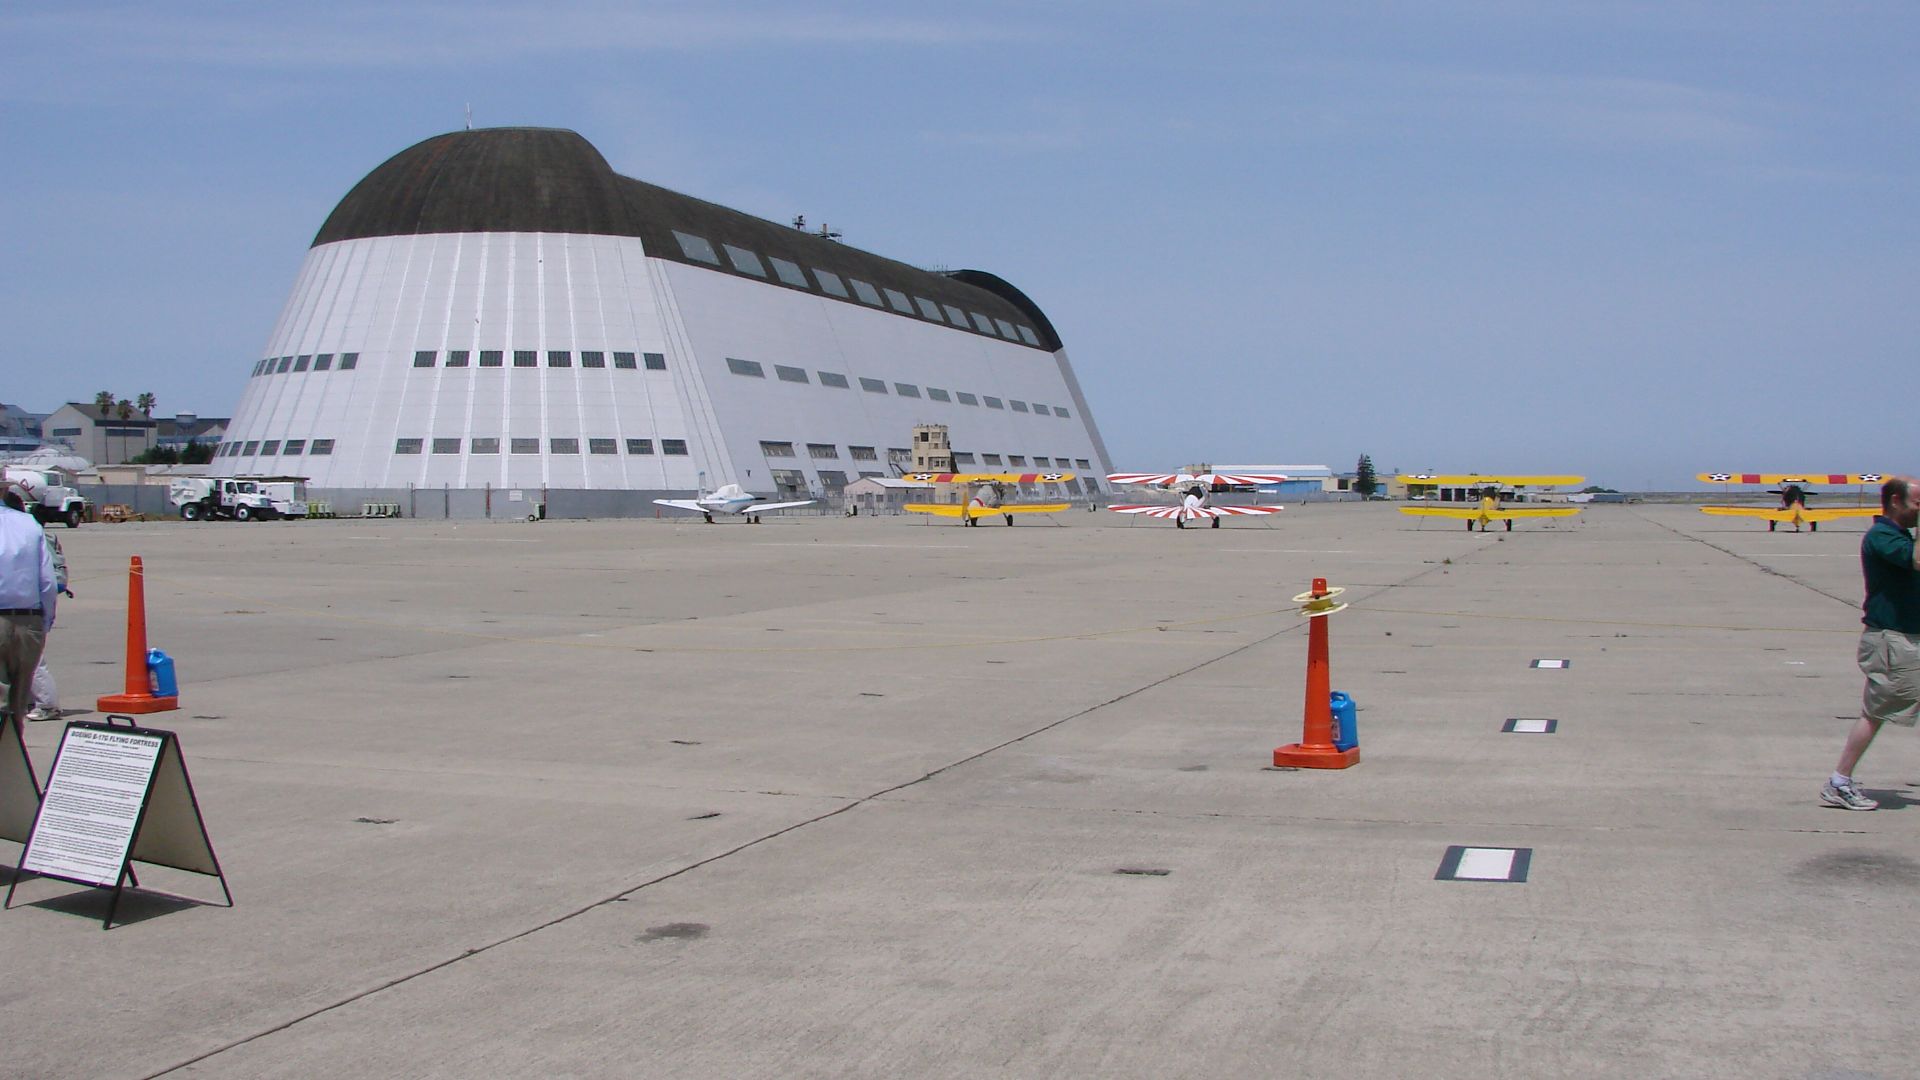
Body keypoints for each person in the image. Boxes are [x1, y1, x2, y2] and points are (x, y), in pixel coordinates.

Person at [1823, 475, 1920, 810]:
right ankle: (1839, 781)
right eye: (1918, 504)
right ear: (1895, 501)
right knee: (1876, 712)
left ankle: (1840, 780)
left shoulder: (1902, 535)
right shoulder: (1881, 536)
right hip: (1892, 640)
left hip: (1908, 637)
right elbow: (1916, 561)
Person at [0, 487, 59, 729]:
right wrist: (43, 623)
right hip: (29, 619)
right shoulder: (29, 524)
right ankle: (13, 749)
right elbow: (48, 583)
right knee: (19, 704)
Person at [27, 528, 71, 721]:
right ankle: (32, 700)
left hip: (28, 606)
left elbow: (49, 582)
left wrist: (46, 616)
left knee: (32, 658)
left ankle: (47, 704)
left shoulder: (33, 535)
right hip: (29, 605)